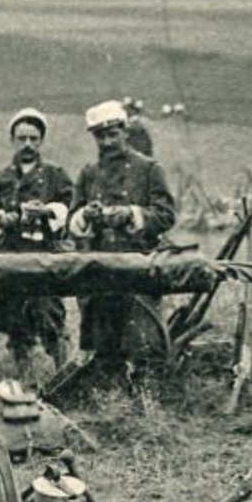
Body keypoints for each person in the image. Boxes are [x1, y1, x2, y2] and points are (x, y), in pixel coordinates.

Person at [68, 100, 177, 380]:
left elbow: (166, 215)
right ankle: (110, 404)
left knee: (144, 343)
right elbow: (71, 222)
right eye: (100, 136)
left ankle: (146, 404)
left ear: (125, 131)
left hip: (138, 267)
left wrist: (131, 215)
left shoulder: (149, 169)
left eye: (112, 134)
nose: (107, 141)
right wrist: (86, 216)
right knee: (104, 345)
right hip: (100, 269)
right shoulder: (88, 172)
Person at [0, 108, 75, 371]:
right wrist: (1, 219)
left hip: (43, 257)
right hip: (11, 256)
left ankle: (61, 371)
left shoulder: (56, 175)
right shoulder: (2, 177)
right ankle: (23, 370)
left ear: (41, 141)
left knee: (49, 314)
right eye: (22, 139)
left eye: (33, 138)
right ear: (13, 141)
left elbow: (70, 208)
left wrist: (50, 213)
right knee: (14, 317)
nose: (28, 145)